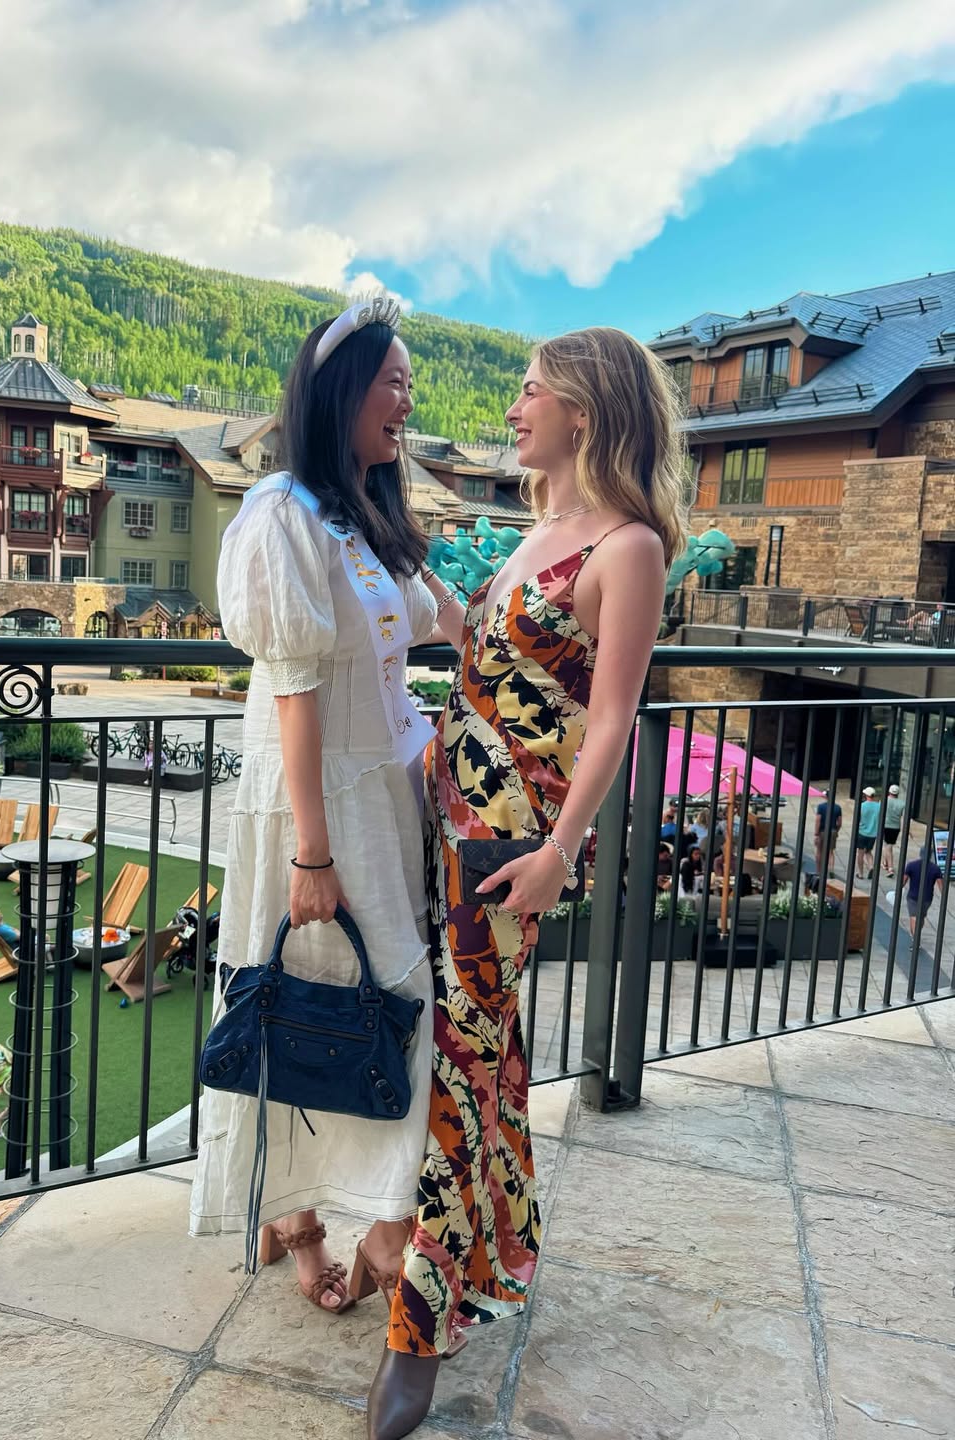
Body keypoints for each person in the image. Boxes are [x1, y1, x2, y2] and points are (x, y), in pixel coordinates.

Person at [381, 325, 687, 1439]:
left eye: (529, 392)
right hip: (446, 822)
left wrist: (560, 848)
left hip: (508, 850)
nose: (513, 409)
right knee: (486, 1052)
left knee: (462, 1066)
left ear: (585, 410)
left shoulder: (627, 548)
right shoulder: (535, 532)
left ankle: (416, 1331)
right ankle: (494, 1258)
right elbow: (480, 652)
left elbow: (613, 719)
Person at [189, 300, 438, 1318]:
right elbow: (293, 692)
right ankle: (306, 1223)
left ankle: (362, 1215)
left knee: (377, 1002)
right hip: (316, 805)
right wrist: (312, 853)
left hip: (378, 795)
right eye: (394, 383)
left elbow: (436, 619)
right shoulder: (280, 513)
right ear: (342, 392)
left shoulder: (360, 512)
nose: (408, 403)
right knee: (295, 1002)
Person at [902, 844, 943, 938]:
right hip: (927, 898)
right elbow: (941, 886)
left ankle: (915, 937)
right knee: (920, 918)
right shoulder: (935, 869)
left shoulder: (911, 865)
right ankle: (916, 935)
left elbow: (903, 881)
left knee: (914, 917)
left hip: (913, 897)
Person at [854, 787, 881, 880]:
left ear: (866, 795)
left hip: (862, 832)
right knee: (868, 852)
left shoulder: (862, 806)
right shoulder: (879, 806)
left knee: (860, 853)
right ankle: (871, 867)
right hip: (873, 833)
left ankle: (860, 873)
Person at [814, 790, 842, 873]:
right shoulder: (838, 807)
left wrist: (816, 833)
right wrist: (836, 831)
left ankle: (818, 870)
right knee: (830, 852)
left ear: (826, 797)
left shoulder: (821, 807)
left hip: (822, 831)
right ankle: (831, 870)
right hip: (833, 831)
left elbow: (818, 820)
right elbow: (839, 823)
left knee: (819, 851)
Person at [881, 784, 905, 876]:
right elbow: (903, 816)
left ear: (889, 792)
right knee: (888, 845)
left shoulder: (884, 800)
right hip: (896, 827)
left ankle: (890, 868)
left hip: (886, 825)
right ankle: (885, 863)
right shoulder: (902, 803)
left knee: (888, 846)